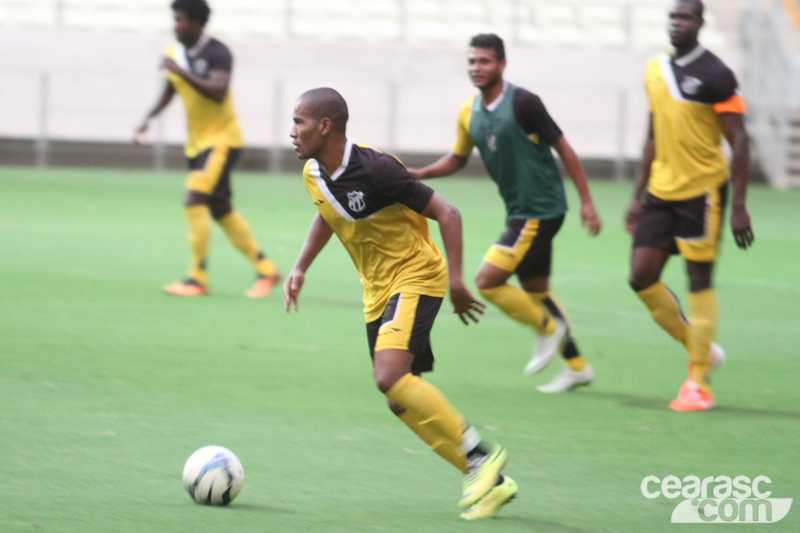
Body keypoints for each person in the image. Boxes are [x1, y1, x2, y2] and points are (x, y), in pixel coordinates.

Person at [284, 87, 516, 520]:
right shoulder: (314, 173)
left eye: (299, 122)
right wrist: (301, 267)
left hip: (417, 276)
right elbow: (329, 212)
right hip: (377, 291)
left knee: (388, 376)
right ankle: (491, 481)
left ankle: (481, 458)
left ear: (325, 126)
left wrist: (460, 282)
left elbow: (448, 212)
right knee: (398, 398)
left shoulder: (377, 169)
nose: (292, 132)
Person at [409, 34, 602, 393]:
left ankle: (547, 329)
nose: (477, 68)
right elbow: (459, 157)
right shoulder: (469, 112)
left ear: (501, 65)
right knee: (535, 288)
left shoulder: (525, 103)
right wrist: (423, 173)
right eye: (472, 62)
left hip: (540, 209)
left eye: (484, 61)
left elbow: (565, 148)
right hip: (520, 210)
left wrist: (587, 201)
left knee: (486, 281)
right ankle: (576, 366)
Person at [625, 0, 754, 411]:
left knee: (698, 281)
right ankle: (703, 349)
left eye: (685, 18)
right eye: (673, 17)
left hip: (704, 193)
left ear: (700, 23)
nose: (677, 24)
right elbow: (652, 135)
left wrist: (740, 207)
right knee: (640, 277)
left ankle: (698, 381)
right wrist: (637, 194)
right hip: (661, 192)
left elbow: (739, 140)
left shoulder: (717, 74)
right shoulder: (654, 70)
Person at [134, 0, 279, 298]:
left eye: (181, 19)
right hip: (197, 144)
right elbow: (169, 90)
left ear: (198, 23)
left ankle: (196, 278)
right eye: (175, 19)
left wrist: (177, 70)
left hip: (222, 140)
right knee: (221, 209)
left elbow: (217, 91)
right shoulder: (175, 53)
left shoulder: (217, 52)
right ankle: (266, 270)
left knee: (194, 197)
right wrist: (147, 119)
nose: (176, 25)